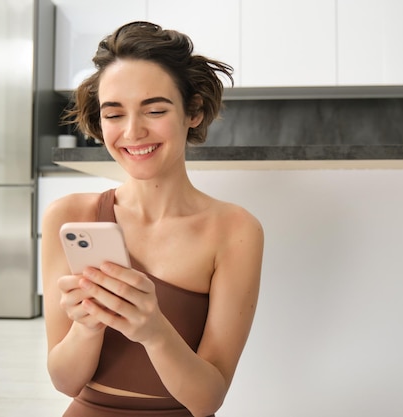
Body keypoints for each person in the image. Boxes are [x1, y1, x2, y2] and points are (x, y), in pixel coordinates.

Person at [41, 21, 264, 417]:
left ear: (192, 111)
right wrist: (88, 326)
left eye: (155, 110)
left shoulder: (234, 230)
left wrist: (154, 331)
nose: (133, 132)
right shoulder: (69, 216)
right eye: (114, 114)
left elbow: (207, 399)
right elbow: (65, 381)